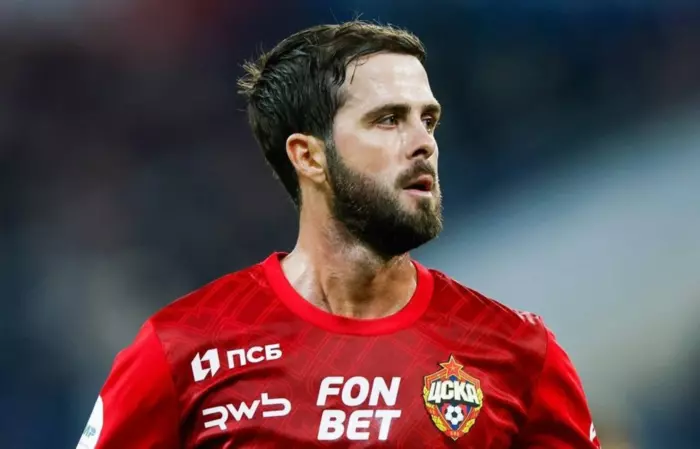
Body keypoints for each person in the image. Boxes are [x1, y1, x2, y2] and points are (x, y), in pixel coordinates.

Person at [77, 20, 601, 449]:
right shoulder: (182, 350)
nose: (423, 143)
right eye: (389, 120)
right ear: (309, 156)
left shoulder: (515, 351)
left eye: (429, 120)